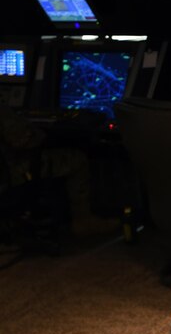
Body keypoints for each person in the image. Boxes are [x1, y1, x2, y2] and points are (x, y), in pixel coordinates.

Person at [0, 104, 117, 243]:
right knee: (77, 159)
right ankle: (83, 221)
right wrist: (47, 134)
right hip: (13, 173)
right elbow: (23, 139)